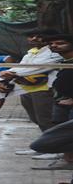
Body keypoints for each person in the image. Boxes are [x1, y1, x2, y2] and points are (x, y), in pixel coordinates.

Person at [0, 29, 62, 158]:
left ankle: (57, 150)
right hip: (26, 88)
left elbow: (41, 67)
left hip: (44, 90)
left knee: (47, 120)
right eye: (31, 36)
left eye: (39, 36)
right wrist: (2, 77)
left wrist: (12, 74)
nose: (34, 39)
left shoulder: (55, 52)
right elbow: (21, 67)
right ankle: (44, 146)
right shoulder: (30, 53)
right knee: (36, 119)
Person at [28, 34, 73, 174]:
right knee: (64, 133)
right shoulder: (62, 61)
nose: (54, 45)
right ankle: (68, 161)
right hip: (61, 101)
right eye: (52, 43)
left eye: (60, 43)